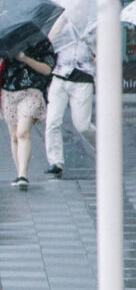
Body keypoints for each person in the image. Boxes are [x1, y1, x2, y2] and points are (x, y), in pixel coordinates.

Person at [0, 38, 55, 190]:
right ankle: (19, 173)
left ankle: (23, 175)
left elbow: (47, 69)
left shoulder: (41, 41)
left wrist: (25, 59)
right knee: (14, 136)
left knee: (23, 133)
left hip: (32, 90)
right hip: (8, 91)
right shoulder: (8, 39)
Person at [44, 14, 95, 177]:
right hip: (60, 76)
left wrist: (88, 35)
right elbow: (49, 42)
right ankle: (55, 162)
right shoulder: (62, 26)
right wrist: (62, 22)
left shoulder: (93, 28)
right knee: (52, 121)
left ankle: (105, 149)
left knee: (82, 125)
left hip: (82, 79)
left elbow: (100, 50)